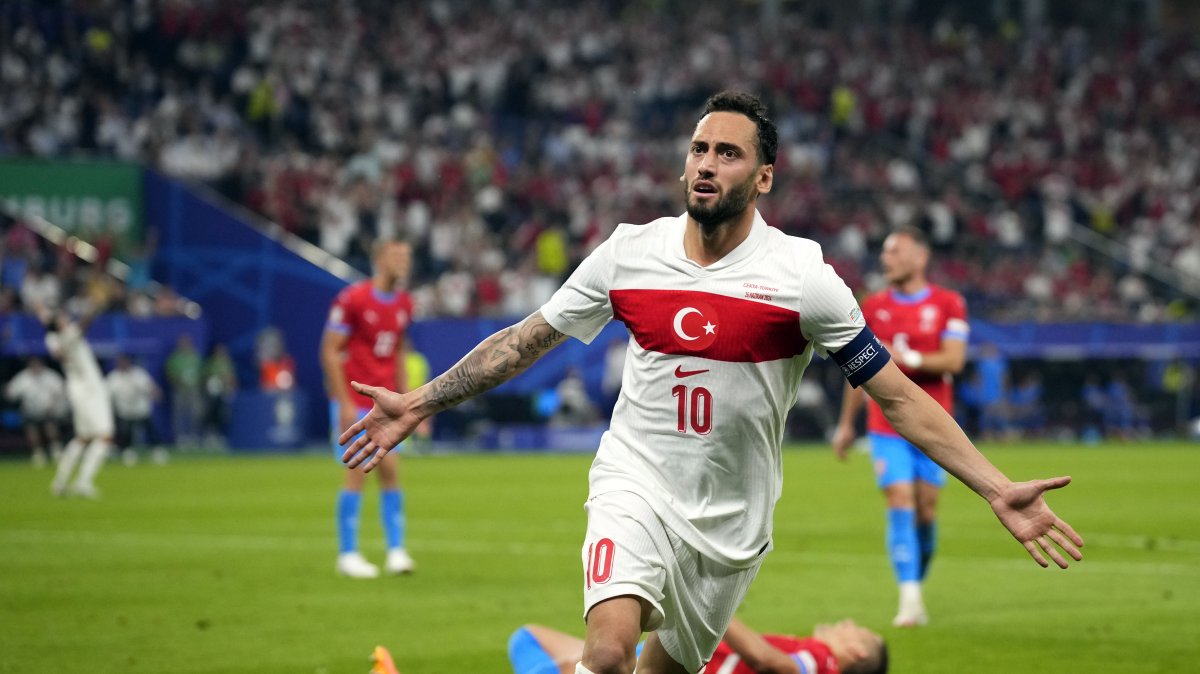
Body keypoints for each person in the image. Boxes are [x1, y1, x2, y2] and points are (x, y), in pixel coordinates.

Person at [340, 92, 1083, 674]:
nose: (706, 162)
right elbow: (524, 341)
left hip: (732, 526)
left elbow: (899, 396)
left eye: (728, 153)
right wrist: (419, 400)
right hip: (636, 482)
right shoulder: (630, 254)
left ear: (762, 177)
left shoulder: (803, 279)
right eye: (699, 148)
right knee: (605, 653)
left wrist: (993, 486)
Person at [829, 226, 969, 628]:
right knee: (900, 500)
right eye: (885, 252)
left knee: (926, 510)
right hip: (886, 424)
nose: (886, 258)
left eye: (894, 251)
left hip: (935, 423)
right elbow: (857, 369)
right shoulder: (871, 306)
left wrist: (906, 357)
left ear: (919, 258)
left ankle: (915, 581)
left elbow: (953, 361)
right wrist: (845, 426)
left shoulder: (949, 303)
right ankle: (909, 599)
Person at [321, 239, 417, 578]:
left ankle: (396, 550)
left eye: (407, 256)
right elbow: (330, 350)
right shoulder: (353, 299)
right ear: (379, 259)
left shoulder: (405, 303)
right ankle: (347, 553)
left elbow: (399, 355)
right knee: (357, 472)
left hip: (388, 402)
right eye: (397, 255)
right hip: (358, 401)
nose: (404, 262)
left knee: (391, 472)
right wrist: (343, 401)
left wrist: (410, 403)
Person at [369, 617, 887, 674]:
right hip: (667, 659)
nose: (845, 623)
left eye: (855, 630)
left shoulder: (821, 663)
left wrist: (707, 605)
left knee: (583, 660)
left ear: (856, 654)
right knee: (529, 638)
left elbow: (768, 661)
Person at [40, 308, 114, 499]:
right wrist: (93, 306)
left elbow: (49, 326)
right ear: (59, 325)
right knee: (105, 436)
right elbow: (83, 325)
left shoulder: (52, 339)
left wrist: (42, 310)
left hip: (77, 389)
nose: (66, 318)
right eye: (62, 317)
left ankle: (60, 482)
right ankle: (83, 482)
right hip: (90, 390)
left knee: (83, 438)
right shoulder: (66, 335)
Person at [4, 355, 66, 467]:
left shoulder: (50, 376)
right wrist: (8, 389)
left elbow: (61, 391)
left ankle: (56, 452)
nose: (35, 367)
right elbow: (11, 394)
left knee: (51, 429)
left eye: (37, 364)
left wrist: (55, 405)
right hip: (30, 411)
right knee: (32, 432)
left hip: (48, 410)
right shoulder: (23, 377)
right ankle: (38, 454)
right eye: (33, 365)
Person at [105, 353, 166, 465]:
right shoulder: (113, 378)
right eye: (120, 362)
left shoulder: (138, 374)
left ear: (129, 362)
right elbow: (106, 395)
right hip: (125, 411)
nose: (123, 364)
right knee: (125, 432)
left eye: (124, 362)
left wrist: (156, 393)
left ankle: (157, 450)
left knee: (151, 430)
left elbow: (150, 387)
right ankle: (127, 451)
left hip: (140, 409)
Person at [165, 334, 204, 447]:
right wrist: (178, 381)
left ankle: (193, 436)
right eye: (183, 343)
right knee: (179, 414)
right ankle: (180, 437)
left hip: (193, 389)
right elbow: (169, 373)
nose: (185, 345)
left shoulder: (195, 356)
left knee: (194, 413)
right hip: (179, 389)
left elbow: (201, 372)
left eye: (187, 343)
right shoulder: (175, 358)